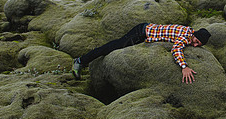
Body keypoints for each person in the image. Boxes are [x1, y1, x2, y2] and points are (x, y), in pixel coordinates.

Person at [72, 23, 211, 84]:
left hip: (146, 33)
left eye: (199, 44)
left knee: (116, 45)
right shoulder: (185, 36)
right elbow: (176, 49)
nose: (195, 45)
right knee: (112, 47)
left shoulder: (190, 33)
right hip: (141, 32)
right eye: (196, 41)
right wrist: (184, 67)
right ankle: (80, 61)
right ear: (194, 34)